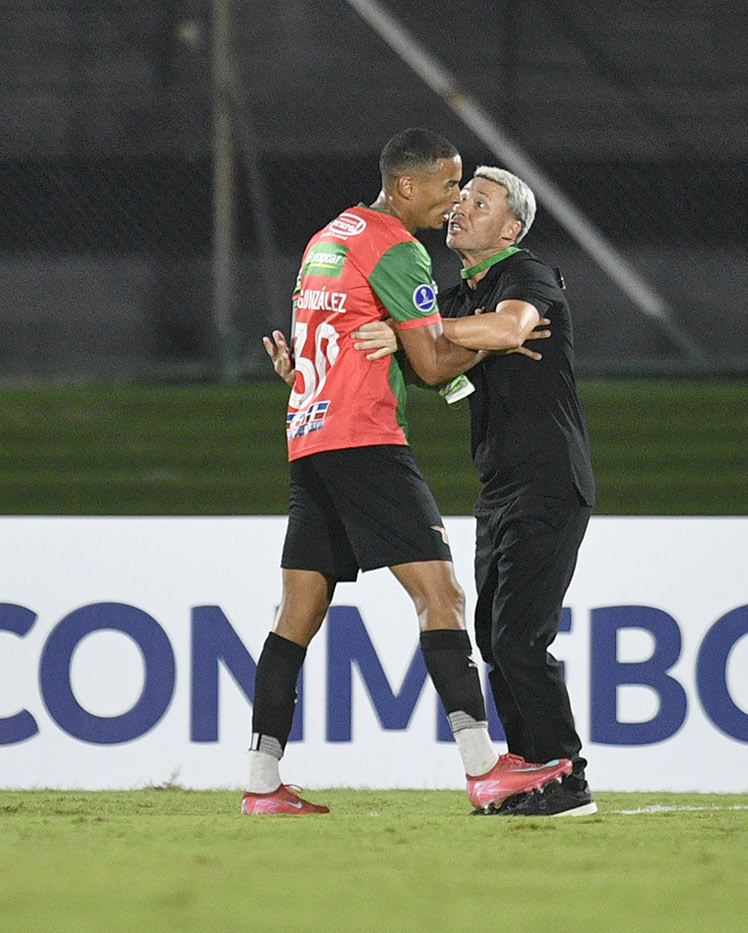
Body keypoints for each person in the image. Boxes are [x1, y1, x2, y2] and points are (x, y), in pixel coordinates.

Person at [243, 129, 573, 815]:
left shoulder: (329, 237)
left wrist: (398, 339)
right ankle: (483, 768)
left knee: (297, 614)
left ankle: (262, 781)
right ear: (406, 187)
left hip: (308, 435)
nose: (453, 200)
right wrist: (486, 344)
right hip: (365, 438)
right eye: (449, 186)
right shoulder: (397, 248)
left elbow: (327, 338)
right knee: (441, 596)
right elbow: (430, 365)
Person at [349, 166, 597, 817]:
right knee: (493, 639)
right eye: (461, 198)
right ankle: (530, 775)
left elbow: (509, 328)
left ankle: (568, 777)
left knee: (519, 639)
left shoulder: (527, 274)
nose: (460, 207)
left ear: (511, 229)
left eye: (480, 202)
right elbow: (428, 364)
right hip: (501, 487)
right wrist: (312, 368)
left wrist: (428, 332)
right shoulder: (459, 296)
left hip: (549, 480)